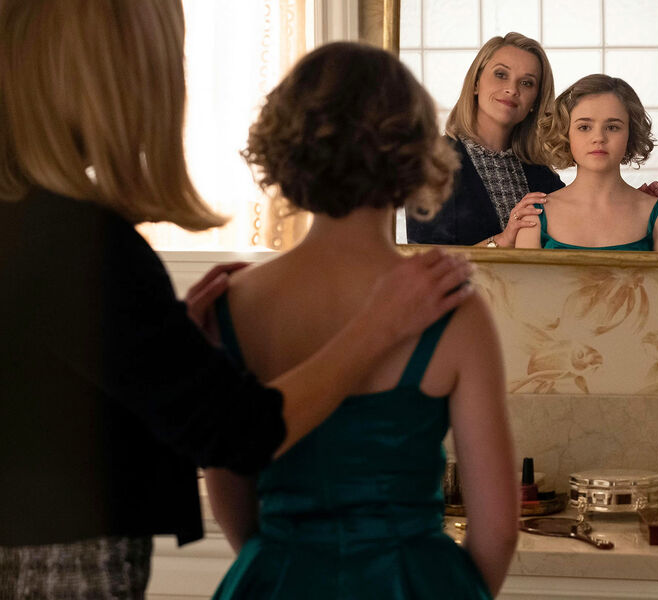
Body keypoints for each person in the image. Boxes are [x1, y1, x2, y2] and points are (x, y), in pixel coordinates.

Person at [0, 1, 471, 597]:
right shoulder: (74, 243)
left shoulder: (37, 228)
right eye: (163, 67)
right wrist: (380, 323)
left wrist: (163, 349)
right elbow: (238, 433)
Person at [206, 42, 519, 599]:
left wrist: (283, 567)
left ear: (285, 150)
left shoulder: (231, 305)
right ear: (416, 156)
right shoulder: (452, 307)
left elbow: (231, 496)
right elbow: (497, 530)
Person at [405, 32, 658, 248]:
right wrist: (501, 242)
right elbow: (422, 265)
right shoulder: (429, 164)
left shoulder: (539, 173)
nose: (512, 89)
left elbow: (580, 214)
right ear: (475, 83)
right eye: (501, 74)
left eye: (527, 83)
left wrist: (628, 207)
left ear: (536, 100)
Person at [515, 74, 658, 252]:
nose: (599, 138)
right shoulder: (535, 216)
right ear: (565, 133)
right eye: (584, 127)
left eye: (612, 127)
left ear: (631, 134)